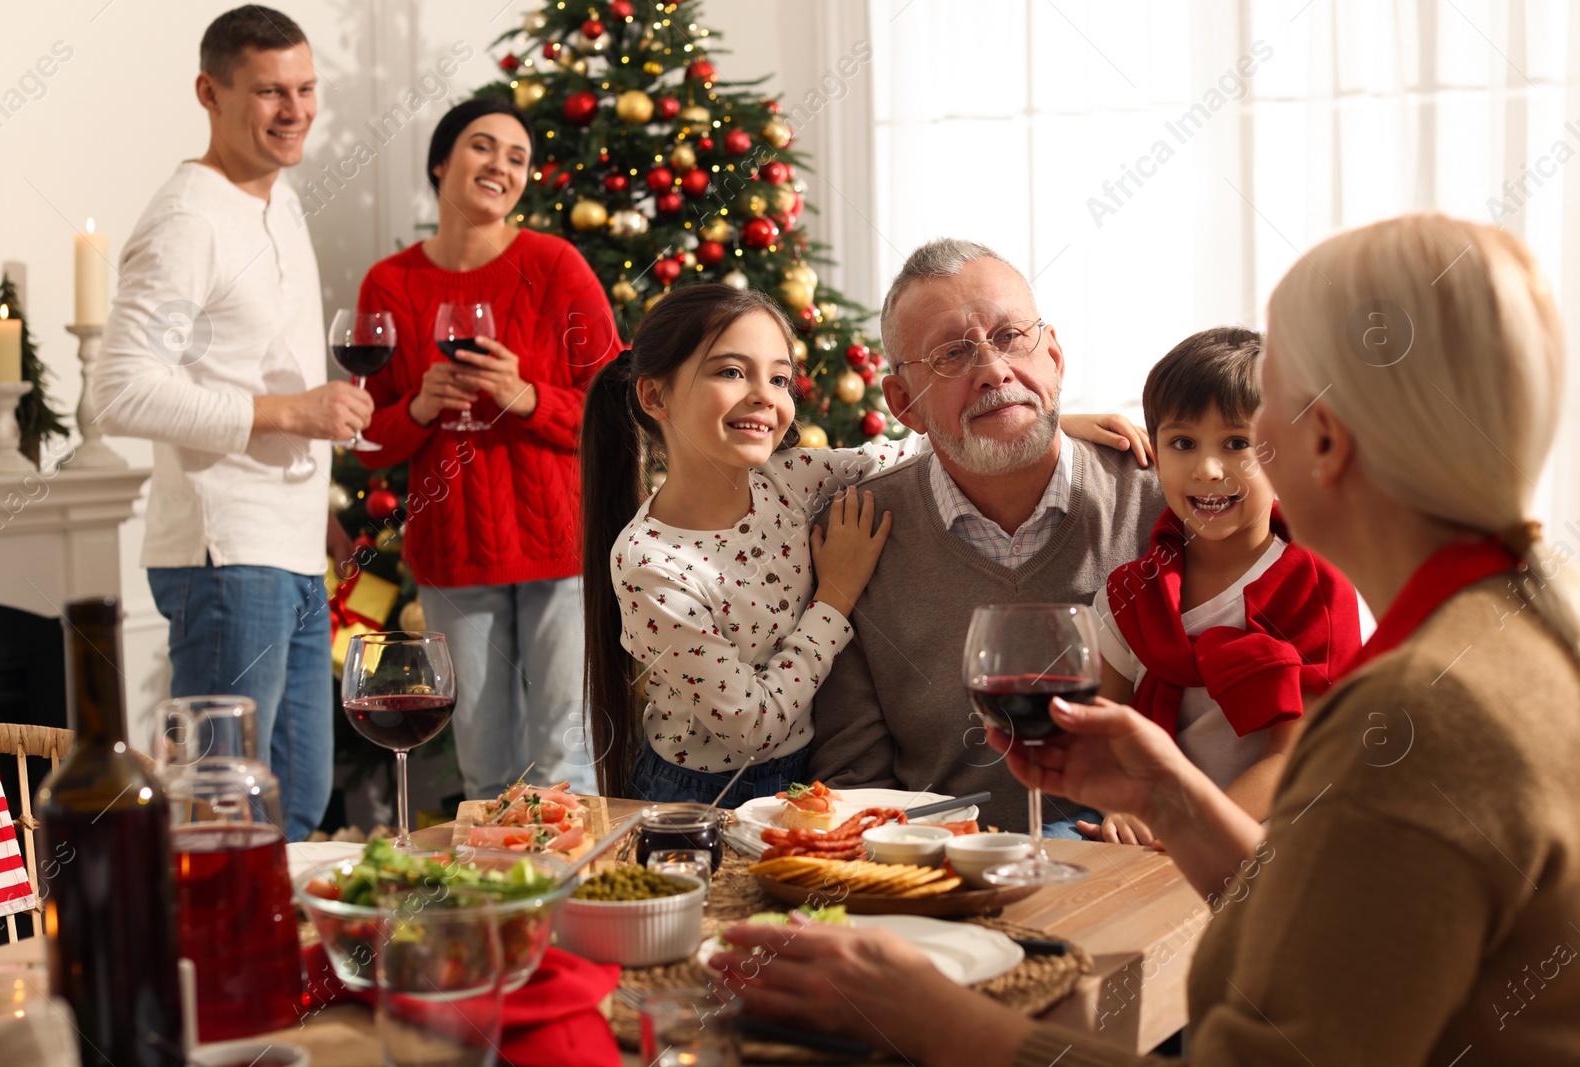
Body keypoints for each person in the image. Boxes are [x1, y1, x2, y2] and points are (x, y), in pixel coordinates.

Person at [714, 214, 1580, 1065]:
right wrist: (1170, 798)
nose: (1215, 461)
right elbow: (1337, 940)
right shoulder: (1519, 633)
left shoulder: (1420, 714)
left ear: (1323, 440)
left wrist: (931, 1022)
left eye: (1264, 401)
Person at [581, 284, 1144, 805]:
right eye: (731, 371)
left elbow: (918, 443)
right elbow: (753, 725)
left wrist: (1037, 419)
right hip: (700, 795)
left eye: (779, 380)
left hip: (803, 776)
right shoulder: (651, 563)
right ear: (655, 396)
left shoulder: (790, 478)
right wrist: (836, 596)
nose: (763, 397)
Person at [96, 7, 372, 841]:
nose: (294, 111)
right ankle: (211, 969)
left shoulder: (278, 203)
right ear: (209, 93)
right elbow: (118, 390)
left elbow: (244, 366)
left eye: (305, 89)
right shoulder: (188, 218)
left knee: (296, 799)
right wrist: (290, 411)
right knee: (225, 809)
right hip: (223, 557)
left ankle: (268, 970)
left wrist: (316, 504)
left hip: (285, 547)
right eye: (268, 93)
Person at [807, 238, 1166, 834]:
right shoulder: (854, 535)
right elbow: (854, 783)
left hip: (1138, 868)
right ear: (903, 404)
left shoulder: (1162, 504)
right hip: (943, 879)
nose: (994, 371)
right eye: (951, 354)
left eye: (1010, 338)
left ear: (1053, 355)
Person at [356, 97, 621, 800]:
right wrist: (418, 406)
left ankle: (577, 907)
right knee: (482, 767)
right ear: (441, 162)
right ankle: (502, 908)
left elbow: (619, 406)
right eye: (483, 147)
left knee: (564, 756)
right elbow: (368, 434)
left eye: (517, 157)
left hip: (559, 547)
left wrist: (526, 396)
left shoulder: (555, 266)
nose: (500, 165)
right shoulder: (390, 284)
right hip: (453, 551)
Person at [1084, 326, 1362, 844]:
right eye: (1183, 443)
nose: (1208, 470)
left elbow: (1293, 759)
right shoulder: (1129, 593)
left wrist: (1191, 826)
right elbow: (1105, 734)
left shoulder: (1317, 587)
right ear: (1157, 454)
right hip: (1150, 829)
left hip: (1277, 830)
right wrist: (1125, 807)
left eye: (1238, 444)